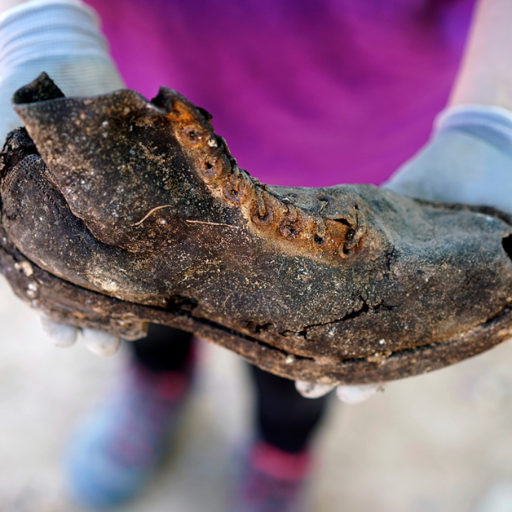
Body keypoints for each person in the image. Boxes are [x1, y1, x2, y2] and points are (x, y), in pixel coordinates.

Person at [1, 0, 512, 510]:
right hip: (138, 101)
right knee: (133, 284)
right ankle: (158, 384)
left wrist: (493, 116)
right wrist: (35, 19)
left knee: (306, 349)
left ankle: (280, 453)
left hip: (365, 118)